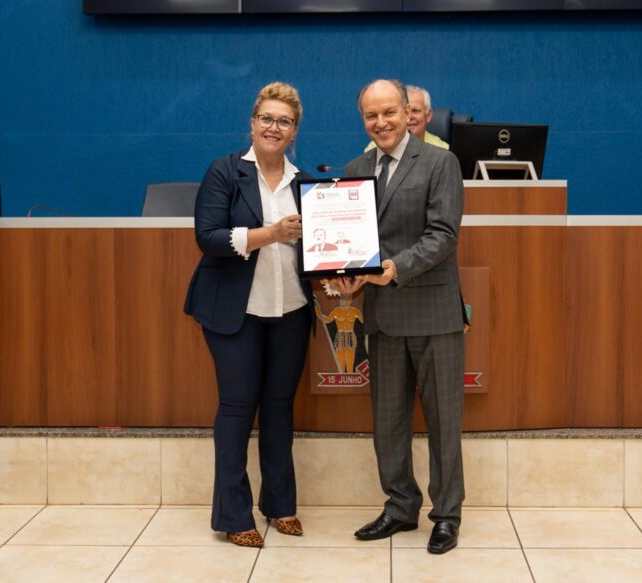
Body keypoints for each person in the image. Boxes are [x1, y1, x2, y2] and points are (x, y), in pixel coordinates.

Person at [332, 79, 466, 554]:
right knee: (387, 422)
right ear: (363, 118)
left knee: (443, 421)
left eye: (390, 112)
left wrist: (394, 268)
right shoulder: (353, 169)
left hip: (433, 312)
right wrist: (348, 276)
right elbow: (352, 245)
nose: (381, 123)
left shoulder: (439, 162)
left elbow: (444, 234)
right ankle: (399, 506)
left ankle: (446, 514)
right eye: (371, 115)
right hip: (383, 316)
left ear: (409, 113)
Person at [183, 82, 313, 548]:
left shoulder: (305, 183)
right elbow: (209, 238)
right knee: (237, 409)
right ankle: (235, 515)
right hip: (234, 311)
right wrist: (271, 233)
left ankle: (280, 505)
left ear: (295, 130)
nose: (274, 127)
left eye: (284, 121)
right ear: (252, 123)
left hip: (292, 309)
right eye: (267, 118)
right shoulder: (224, 171)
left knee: (279, 408)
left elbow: (317, 249)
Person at [364, 85, 449, 152]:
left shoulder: (442, 150)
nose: (410, 117)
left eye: (415, 111)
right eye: (405, 112)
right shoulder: (375, 148)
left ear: (428, 115)